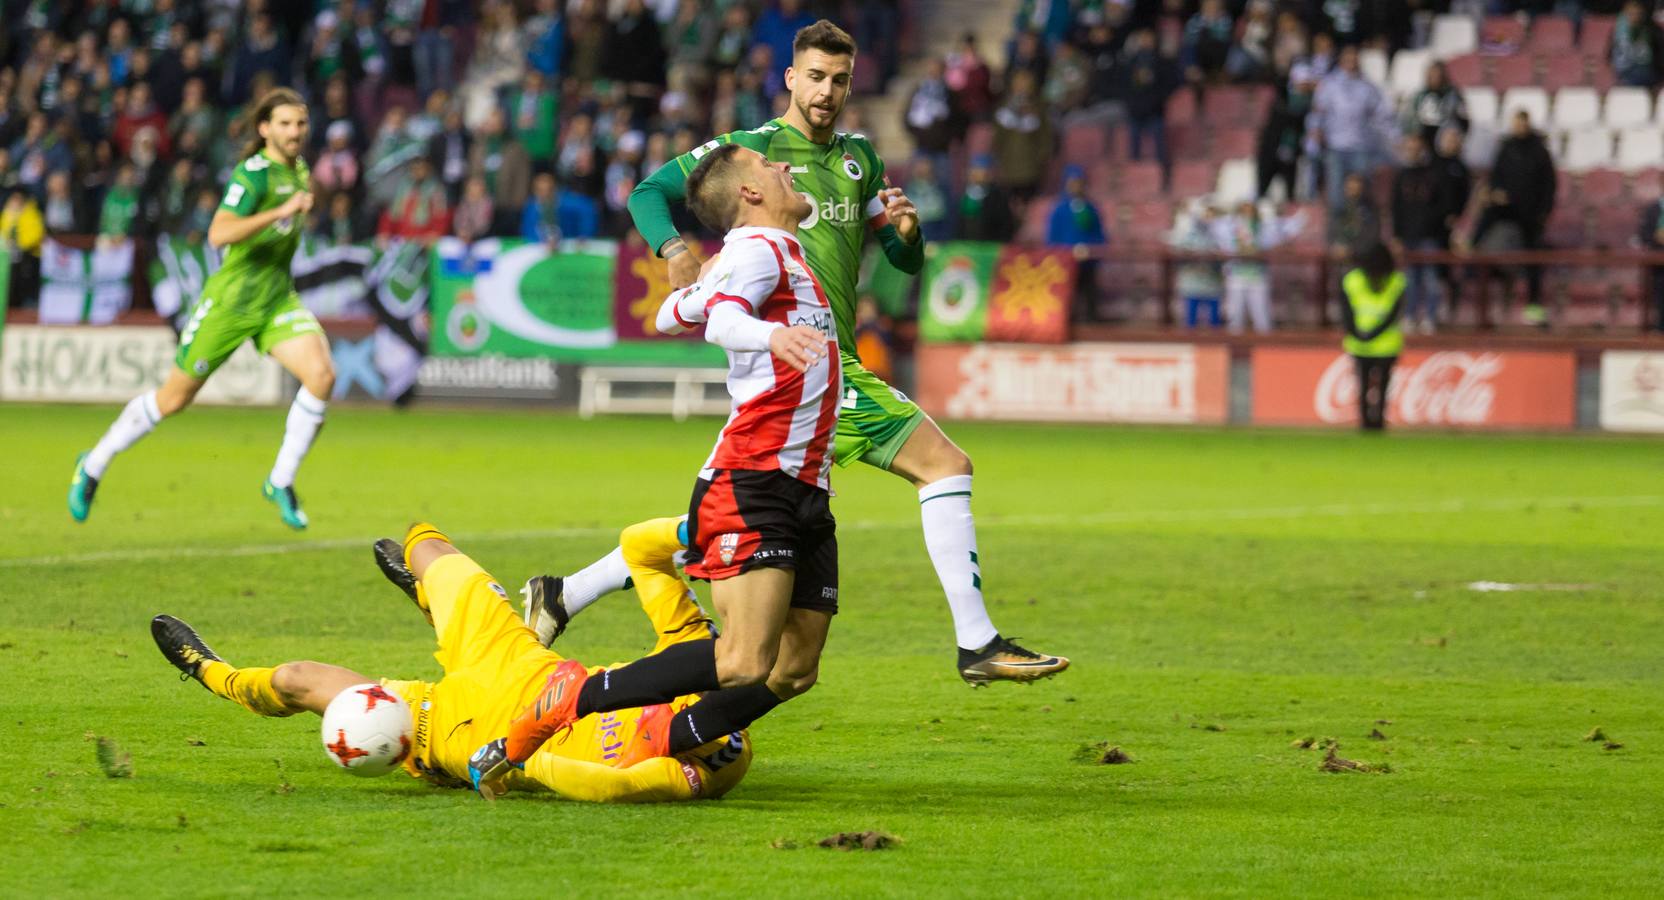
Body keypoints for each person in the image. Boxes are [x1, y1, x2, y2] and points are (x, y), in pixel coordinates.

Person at [623, 19, 1068, 685]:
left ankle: (567, 592)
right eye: (816, 77)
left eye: (840, 79)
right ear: (791, 78)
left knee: (733, 508)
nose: (827, 91)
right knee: (943, 464)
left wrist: (910, 236)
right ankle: (977, 641)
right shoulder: (753, 152)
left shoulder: (861, 160)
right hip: (808, 363)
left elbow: (900, 258)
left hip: (824, 368)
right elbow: (647, 192)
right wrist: (676, 250)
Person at [472, 143, 843, 798]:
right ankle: (572, 699)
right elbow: (725, 318)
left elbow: (680, 311)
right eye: (771, 166)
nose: (787, 168)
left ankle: (661, 742)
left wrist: (690, 302)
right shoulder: (758, 250)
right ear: (750, 194)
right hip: (753, 481)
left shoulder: (778, 254)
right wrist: (766, 335)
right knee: (743, 660)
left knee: (792, 671)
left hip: (807, 487)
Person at [151, 518, 751, 803]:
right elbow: (639, 551)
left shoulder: (701, 770)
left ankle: (213, 674)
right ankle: (431, 599)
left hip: (470, 732)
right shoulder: (703, 658)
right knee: (423, 542)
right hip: (518, 664)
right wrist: (702, 525)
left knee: (297, 680)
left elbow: (609, 788)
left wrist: (515, 759)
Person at [68, 88, 334, 530]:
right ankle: (93, 464)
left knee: (322, 375)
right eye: (285, 123)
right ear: (264, 128)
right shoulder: (253, 176)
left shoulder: (302, 171)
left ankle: (280, 480)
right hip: (230, 303)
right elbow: (219, 233)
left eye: (301, 124)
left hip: (275, 300)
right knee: (172, 399)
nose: (295, 132)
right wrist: (280, 212)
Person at [1470, 110, 1556, 326]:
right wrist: (1496, 192)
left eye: (1522, 123)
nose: (1519, 127)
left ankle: (1534, 305)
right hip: (1506, 207)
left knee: (1532, 257)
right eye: (1515, 123)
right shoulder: (1506, 149)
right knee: (1488, 225)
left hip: (1530, 213)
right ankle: (1471, 243)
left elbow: (1548, 185)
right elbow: (1496, 176)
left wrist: (1544, 211)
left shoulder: (1539, 152)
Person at [1309, 45, 1388, 215]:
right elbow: (1318, 111)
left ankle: (1360, 231)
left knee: (1362, 189)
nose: (1351, 62)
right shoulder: (1329, 84)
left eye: (1354, 58)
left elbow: (1380, 114)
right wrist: (1315, 130)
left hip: (1361, 145)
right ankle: (1338, 232)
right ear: (1341, 60)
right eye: (1348, 58)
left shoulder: (1367, 86)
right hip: (1336, 145)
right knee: (1336, 192)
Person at [1212, 200, 1306, 333]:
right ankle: (1233, 346)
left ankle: (1265, 347)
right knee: (1235, 315)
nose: (1247, 212)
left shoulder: (1263, 226)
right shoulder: (1230, 226)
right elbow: (1214, 227)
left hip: (1257, 276)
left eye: (1249, 208)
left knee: (1261, 314)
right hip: (1236, 275)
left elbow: (1286, 230)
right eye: (1243, 209)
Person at [1339, 243, 1404, 431]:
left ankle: (1366, 423)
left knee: (1364, 384)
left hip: (1361, 343)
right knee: (1382, 386)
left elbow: (1346, 312)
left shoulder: (1352, 279)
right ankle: (1377, 424)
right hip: (1386, 344)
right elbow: (1394, 314)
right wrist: (1374, 334)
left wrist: (1358, 333)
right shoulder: (1396, 280)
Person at [1390, 132, 1445, 333]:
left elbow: (1441, 205)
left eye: (1416, 147)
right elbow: (1395, 208)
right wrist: (1397, 235)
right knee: (1409, 281)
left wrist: (1434, 226)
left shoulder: (1433, 174)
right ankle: (1410, 316)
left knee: (1431, 279)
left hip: (1429, 235)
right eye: (1409, 148)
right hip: (1408, 236)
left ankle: (1430, 317)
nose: (1412, 151)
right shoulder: (1401, 176)